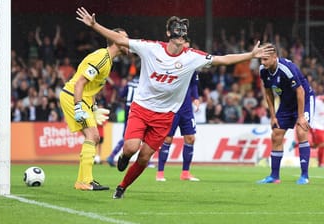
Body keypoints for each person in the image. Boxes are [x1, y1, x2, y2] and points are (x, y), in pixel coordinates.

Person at [76, 7, 273, 199]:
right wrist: (95, 25)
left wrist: (250, 55)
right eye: (177, 33)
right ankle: (124, 157)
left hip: (165, 116)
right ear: (169, 33)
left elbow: (223, 59)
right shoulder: (151, 48)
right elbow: (120, 39)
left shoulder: (192, 57)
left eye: (183, 35)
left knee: (144, 157)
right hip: (141, 108)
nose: (180, 38)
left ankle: (122, 186)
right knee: (131, 148)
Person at [59, 26, 129, 191]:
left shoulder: (108, 60)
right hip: (73, 96)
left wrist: (93, 107)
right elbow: (80, 83)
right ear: (116, 41)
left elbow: (91, 87)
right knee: (93, 135)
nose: (128, 42)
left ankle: (84, 180)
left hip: (82, 99)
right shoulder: (101, 58)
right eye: (125, 38)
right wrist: (78, 107)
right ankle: (84, 181)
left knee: (93, 136)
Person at [257, 43, 315, 185]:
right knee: (276, 134)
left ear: (274, 57)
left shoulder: (286, 69)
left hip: (304, 100)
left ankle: (304, 176)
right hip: (286, 103)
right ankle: (274, 176)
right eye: (261, 60)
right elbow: (269, 93)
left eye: (265, 59)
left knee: (301, 132)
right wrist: (273, 116)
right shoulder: (263, 71)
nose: (262, 63)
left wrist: (301, 116)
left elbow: (300, 91)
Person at [156, 69, 200, 182]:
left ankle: (185, 173)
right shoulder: (170, 65)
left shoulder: (192, 65)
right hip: (171, 107)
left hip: (186, 109)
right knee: (167, 139)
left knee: (190, 138)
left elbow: (194, 84)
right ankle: (160, 173)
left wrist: (195, 98)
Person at [106, 74, 139, 167]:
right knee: (139, 136)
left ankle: (112, 156)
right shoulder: (143, 84)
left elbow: (121, 95)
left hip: (127, 110)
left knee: (127, 136)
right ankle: (147, 161)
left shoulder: (129, 84)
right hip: (138, 111)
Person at [311, 95, 324, 167]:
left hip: (322, 127)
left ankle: (297, 144)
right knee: (322, 144)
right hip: (316, 126)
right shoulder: (317, 101)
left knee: (316, 145)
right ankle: (321, 163)